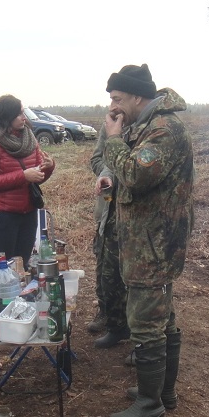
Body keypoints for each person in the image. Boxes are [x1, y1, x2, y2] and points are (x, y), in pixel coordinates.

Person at [101, 64, 193, 417]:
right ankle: (161, 392)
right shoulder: (148, 125)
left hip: (154, 245)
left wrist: (112, 140)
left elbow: (136, 174)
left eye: (117, 98)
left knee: (144, 323)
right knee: (160, 318)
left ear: (138, 97)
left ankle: (150, 403)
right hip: (149, 240)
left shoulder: (164, 129)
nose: (113, 106)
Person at [0, 94, 55, 270]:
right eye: (18, 114)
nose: (23, 117)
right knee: (3, 269)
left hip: (28, 213)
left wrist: (48, 167)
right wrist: (23, 176)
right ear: (6, 116)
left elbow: (37, 177)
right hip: (3, 216)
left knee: (22, 266)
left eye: (23, 113)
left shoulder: (29, 139)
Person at [89, 129, 130, 349]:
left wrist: (120, 172)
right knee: (106, 270)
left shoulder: (152, 129)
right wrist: (107, 175)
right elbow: (97, 159)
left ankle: (138, 334)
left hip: (135, 217)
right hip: (109, 210)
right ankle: (111, 319)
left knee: (133, 278)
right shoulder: (111, 126)